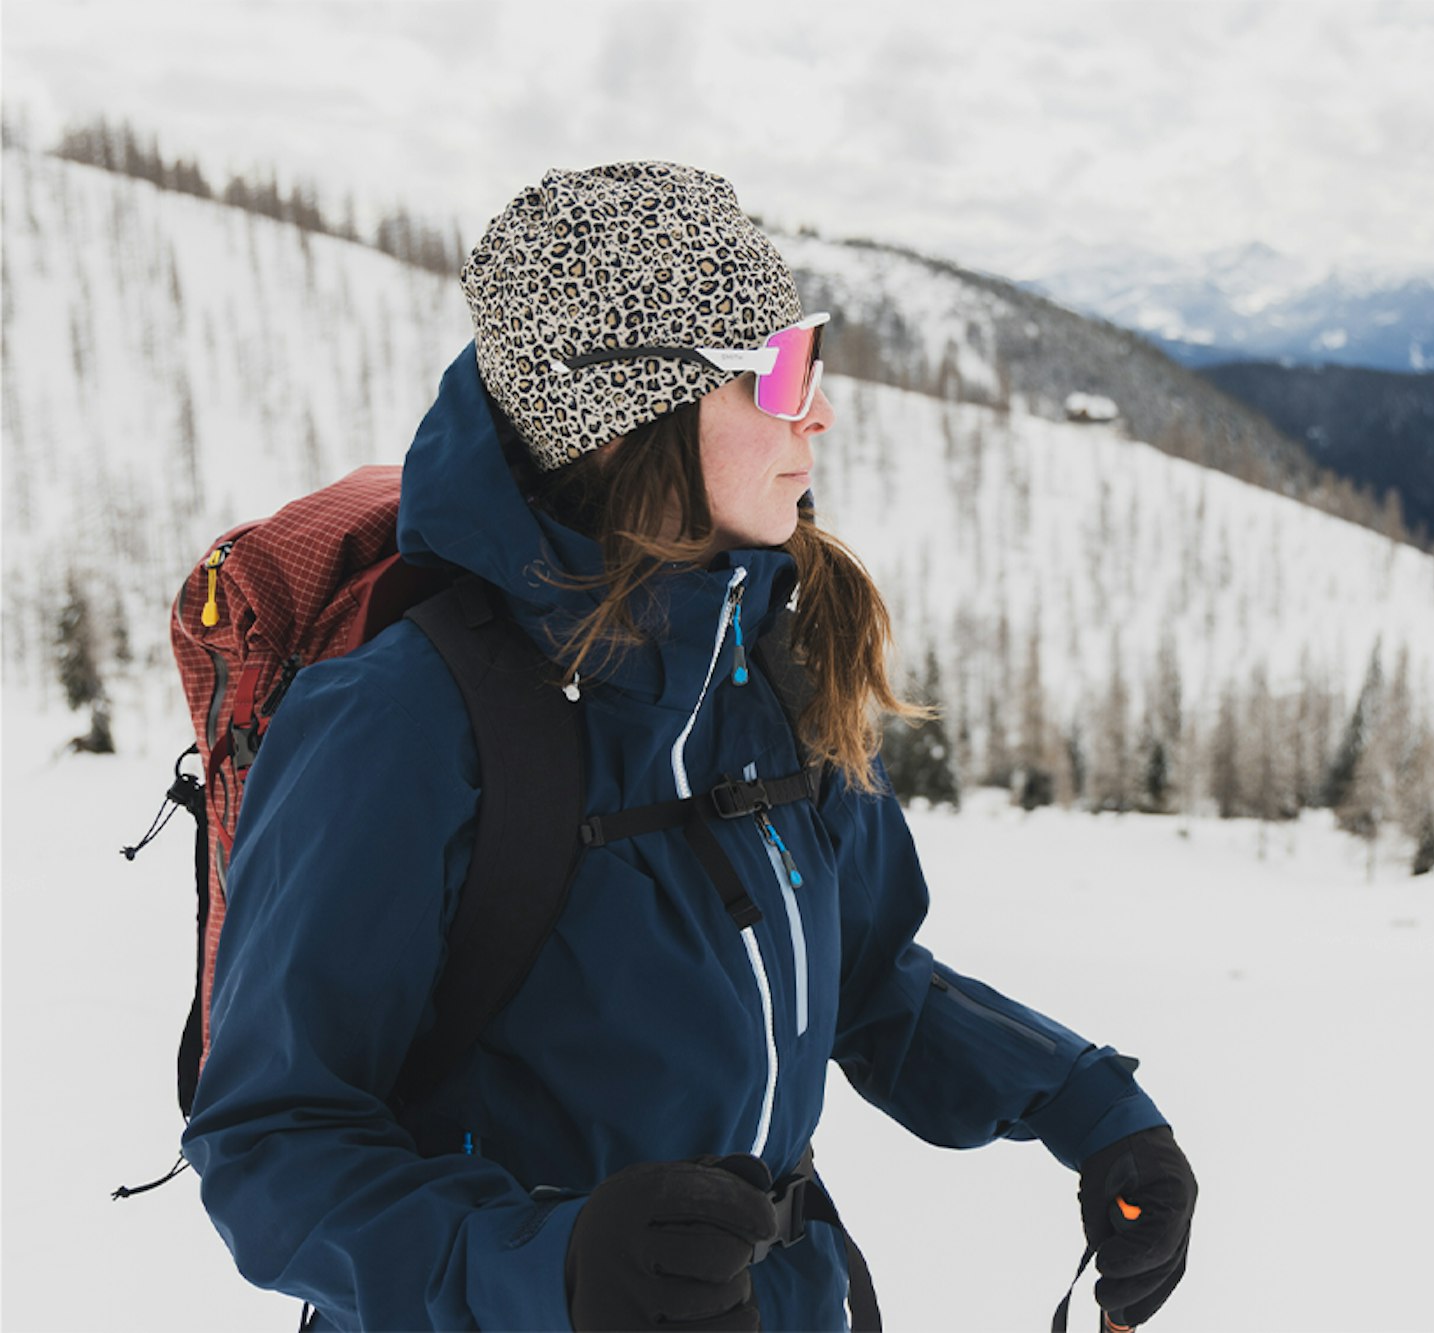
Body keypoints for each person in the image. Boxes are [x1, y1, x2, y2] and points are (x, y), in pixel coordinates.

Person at [182, 161, 1196, 1332]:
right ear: (631, 419)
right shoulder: (405, 720)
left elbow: (868, 982)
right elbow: (270, 1142)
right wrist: (549, 1267)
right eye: (777, 367)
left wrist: (1088, 1106)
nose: (817, 408)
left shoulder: (763, 663)